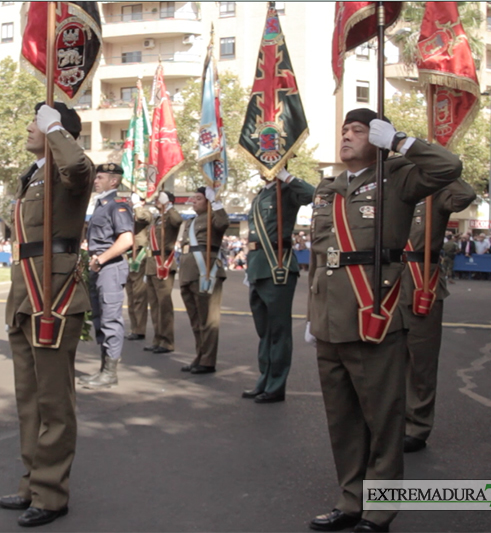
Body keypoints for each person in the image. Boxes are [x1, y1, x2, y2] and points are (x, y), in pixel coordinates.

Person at [307, 109, 462, 533]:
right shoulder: (330, 186)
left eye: (359, 130)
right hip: (328, 320)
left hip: (371, 311)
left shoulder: (399, 177)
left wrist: (401, 142)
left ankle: (380, 510)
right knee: (343, 421)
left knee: (382, 418)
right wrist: (310, 314)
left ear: (377, 137)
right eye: (344, 129)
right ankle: (351, 500)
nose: (347, 135)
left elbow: (451, 169)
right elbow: (321, 258)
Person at [0, 102, 94, 528]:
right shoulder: (35, 174)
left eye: (38, 122)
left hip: (54, 295)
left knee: (54, 401)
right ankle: (32, 483)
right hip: (27, 294)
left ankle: (52, 494)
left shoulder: (68, 170)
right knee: (29, 402)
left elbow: (77, 167)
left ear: (58, 130)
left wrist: (56, 126)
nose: (30, 127)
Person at [399, 180, 476, 455]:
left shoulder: (435, 194)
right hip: (386, 284)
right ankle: (389, 424)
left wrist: (440, 170)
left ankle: (416, 427)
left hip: (422, 285)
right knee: (386, 362)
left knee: (421, 362)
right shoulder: (389, 189)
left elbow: (465, 195)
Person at [241, 168, 315, 403]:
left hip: (278, 266)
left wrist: (288, 177)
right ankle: (264, 379)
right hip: (258, 266)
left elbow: (313, 195)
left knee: (279, 331)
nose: (262, 167)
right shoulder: (261, 194)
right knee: (264, 331)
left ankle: (276, 385)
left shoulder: (287, 190)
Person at [79, 163, 134, 389]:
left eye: (100, 177)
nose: (95, 180)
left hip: (110, 268)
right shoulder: (102, 205)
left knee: (111, 320)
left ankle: (110, 373)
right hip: (99, 267)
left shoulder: (117, 204)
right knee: (100, 318)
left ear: (113, 181)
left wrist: (101, 259)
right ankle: (104, 369)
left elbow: (126, 240)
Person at [178, 186, 230, 374]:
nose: (193, 201)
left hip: (205, 271)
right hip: (188, 273)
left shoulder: (213, 217)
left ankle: (208, 360)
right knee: (196, 320)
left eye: (198, 198)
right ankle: (200, 355)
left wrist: (216, 202)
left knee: (208, 319)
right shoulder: (191, 221)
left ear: (208, 201)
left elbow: (224, 222)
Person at [143, 191, 182, 354]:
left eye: (160, 198)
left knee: (164, 305)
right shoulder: (157, 218)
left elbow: (177, 221)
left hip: (164, 264)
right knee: (155, 305)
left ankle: (167, 341)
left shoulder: (170, 217)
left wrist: (169, 206)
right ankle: (158, 338)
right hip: (152, 265)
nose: (157, 201)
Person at [124, 194, 152, 341]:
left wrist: (137, 205)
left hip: (139, 254)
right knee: (130, 294)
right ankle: (134, 327)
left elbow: (143, 218)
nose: (130, 202)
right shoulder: (128, 213)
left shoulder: (145, 212)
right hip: (128, 254)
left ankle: (140, 329)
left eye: (133, 199)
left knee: (139, 294)